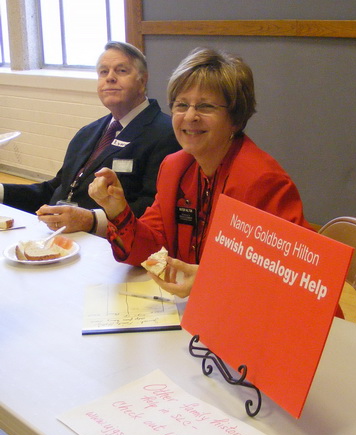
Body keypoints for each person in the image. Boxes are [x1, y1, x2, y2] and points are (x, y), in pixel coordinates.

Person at [88, 47, 313, 296]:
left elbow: (293, 277)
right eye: (181, 105)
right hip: (192, 308)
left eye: (205, 107)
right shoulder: (175, 167)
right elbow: (150, 249)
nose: (190, 116)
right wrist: (117, 210)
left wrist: (214, 281)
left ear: (235, 118)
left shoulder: (261, 180)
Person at [0, 41, 180, 236]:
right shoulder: (87, 132)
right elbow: (55, 189)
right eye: (103, 72)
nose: (110, 78)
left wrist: (90, 221)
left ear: (143, 80)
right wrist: (2, 192)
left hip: (109, 245)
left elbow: (153, 209)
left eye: (121, 71)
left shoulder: (166, 134)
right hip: (54, 236)